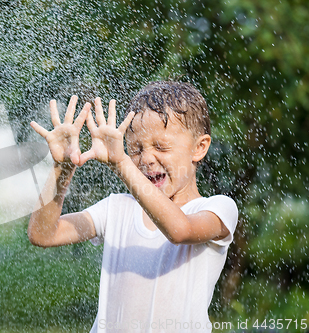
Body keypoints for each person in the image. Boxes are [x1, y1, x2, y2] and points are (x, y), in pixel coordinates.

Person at [28, 81, 238, 332]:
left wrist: (122, 163)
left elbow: (179, 230)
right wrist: (62, 167)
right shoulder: (116, 209)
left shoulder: (218, 208)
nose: (146, 158)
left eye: (160, 146)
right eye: (135, 149)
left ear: (199, 147)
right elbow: (43, 233)